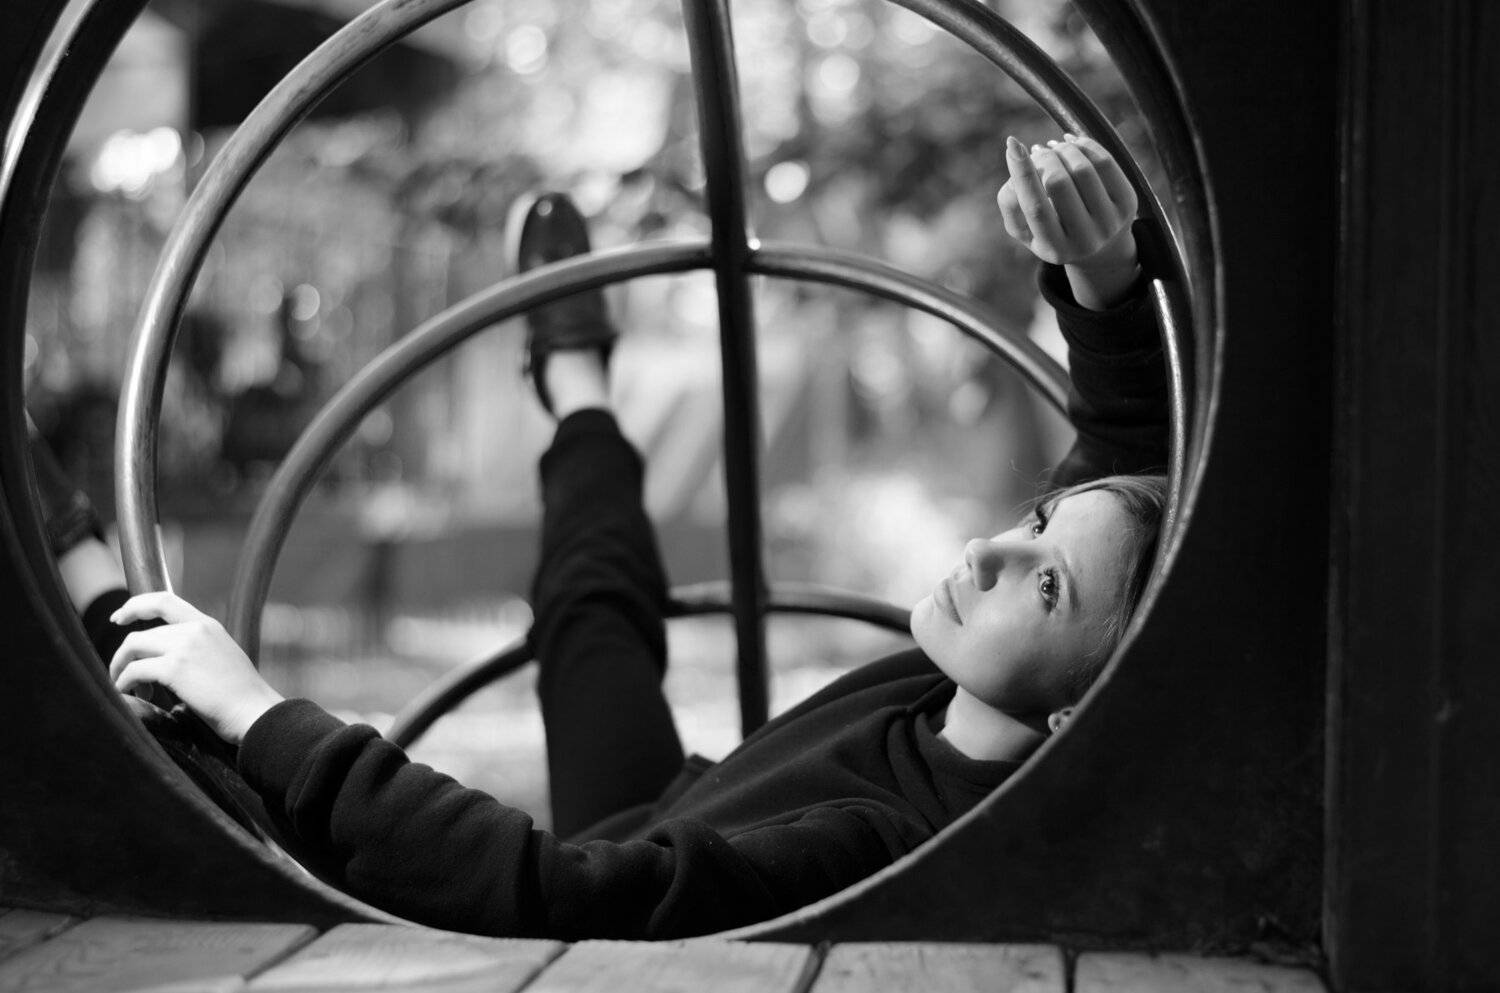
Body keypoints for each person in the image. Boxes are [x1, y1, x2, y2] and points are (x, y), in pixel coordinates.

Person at [45, 134, 1168, 939]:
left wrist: (261, 713)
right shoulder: (983, 683)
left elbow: (549, 897)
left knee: (218, 752)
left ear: (1087, 716)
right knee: (590, 611)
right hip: (672, 805)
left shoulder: (882, 843)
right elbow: (1124, 458)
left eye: (1047, 586)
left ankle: (86, 580)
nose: (988, 553)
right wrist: (1106, 271)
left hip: (623, 872)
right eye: (1032, 520)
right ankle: (578, 382)